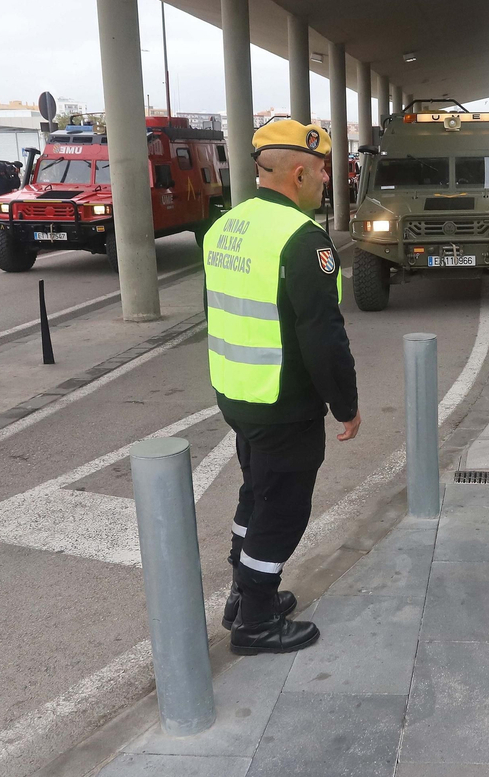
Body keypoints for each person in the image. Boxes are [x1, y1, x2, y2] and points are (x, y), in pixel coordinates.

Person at [205, 119, 361, 655]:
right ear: (299, 173)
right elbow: (322, 336)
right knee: (283, 509)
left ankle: (242, 596)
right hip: (283, 401)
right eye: (321, 171)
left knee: (256, 494)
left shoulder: (227, 226)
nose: (325, 180)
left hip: (236, 390)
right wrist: (346, 405)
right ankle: (254, 620)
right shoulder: (301, 239)